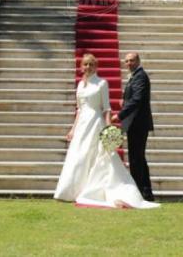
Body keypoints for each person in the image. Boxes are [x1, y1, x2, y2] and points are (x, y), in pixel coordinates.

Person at [54, 54, 158, 209]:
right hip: (82, 125)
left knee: (117, 157)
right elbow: (79, 109)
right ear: (82, 66)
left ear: (96, 66)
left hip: (97, 123)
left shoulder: (102, 83)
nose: (88, 67)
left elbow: (107, 108)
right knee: (79, 156)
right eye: (85, 64)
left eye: (91, 64)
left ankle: (143, 192)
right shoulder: (80, 85)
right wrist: (73, 129)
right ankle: (73, 191)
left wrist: (109, 128)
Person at [111, 52, 155, 202]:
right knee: (138, 158)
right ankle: (145, 191)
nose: (129, 63)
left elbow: (137, 99)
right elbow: (134, 97)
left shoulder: (140, 76)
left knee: (137, 159)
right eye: (127, 61)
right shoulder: (135, 76)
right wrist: (124, 101)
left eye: (132, 60)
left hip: (138, 123)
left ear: (138, 61)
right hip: (134, 123)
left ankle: (141, 192)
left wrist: (120, 114)